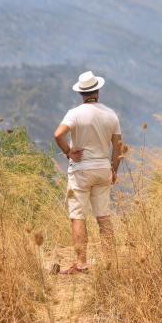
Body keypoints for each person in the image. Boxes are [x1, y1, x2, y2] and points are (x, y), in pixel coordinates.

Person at [53, 70, 123, 275]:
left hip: (81, 170)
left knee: (78, 216)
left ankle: (81, 263)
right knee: (103, 217)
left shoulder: (74, 113)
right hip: (103, 168)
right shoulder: (111, 114)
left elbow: (58, 134)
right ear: (98, 90)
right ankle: (111, 262)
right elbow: (118, 145)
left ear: (81, 93)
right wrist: (113, 169)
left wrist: (68, 152)